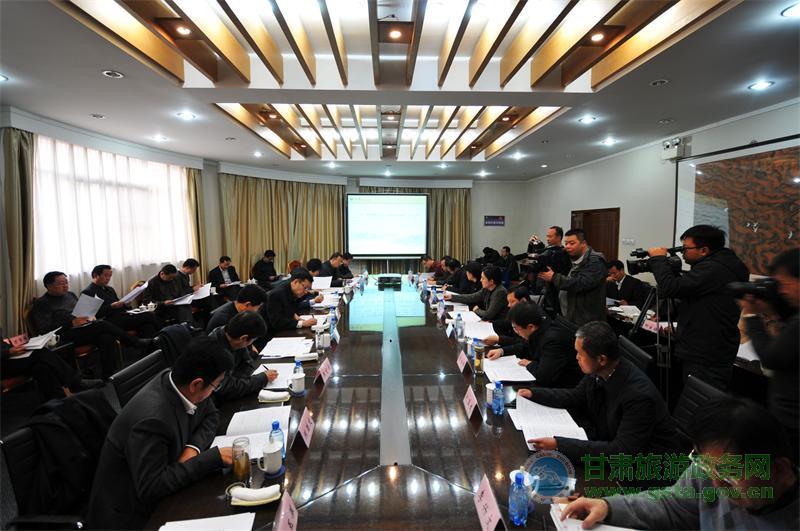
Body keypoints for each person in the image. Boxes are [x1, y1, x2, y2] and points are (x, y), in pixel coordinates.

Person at [560, 398, 799, 530]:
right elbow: (672, 505)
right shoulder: (709, 468)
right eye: (706, 467)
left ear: (779, 470)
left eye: (730, 474)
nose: (716, 484)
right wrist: (608, 507)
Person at [87, 337, 234, 529]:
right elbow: (152, 487)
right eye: (216, 385)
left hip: (163, 480)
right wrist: (212, 458)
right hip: (130, 515)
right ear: (196, 384)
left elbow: (211, 415)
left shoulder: (177, 381)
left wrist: (193, 448)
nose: (215, 390)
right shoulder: (152, 420)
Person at [517, 321, 679, 463]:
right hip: (608, 443)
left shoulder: (639, 397)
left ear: (601, 359)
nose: (576, 358)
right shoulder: (602, 370)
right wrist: (534, 394)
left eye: (580, 354)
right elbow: (576, 396)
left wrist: (560, 445)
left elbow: (621, 452)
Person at [647, 224, 749, 390]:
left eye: (685, 248)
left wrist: (659, 260)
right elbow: (704, 307)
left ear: (704, 250)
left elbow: (670, 288)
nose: (682, 252)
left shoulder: (714, 269)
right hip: (708, 347)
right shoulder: (722, 265)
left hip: (706, 354)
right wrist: (682, 329)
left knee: (702, 398)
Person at [31, 271, 150, 378]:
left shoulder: (70, 295)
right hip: (64, 335)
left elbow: (80, 312)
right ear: (49, 286)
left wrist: (89, 315)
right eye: (61, 284)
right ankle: (135, 342)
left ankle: (108, 374)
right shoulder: (42, 303)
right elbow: (45, 329)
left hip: (83, 329)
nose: (65, 286)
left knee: (106, 337)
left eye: (66, 282)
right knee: (102, 325)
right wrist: (71, 323)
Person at [740, 249, 799, 459]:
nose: (781, 291)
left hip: (792, 421)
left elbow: (771, 357)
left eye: (785, 283)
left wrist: (751, 315)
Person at [487, 302, 582, 388]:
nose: (515, 332)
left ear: (530, 327)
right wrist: (502, 351)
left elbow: (544, 377)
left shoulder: (552, 340)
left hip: (564, 387)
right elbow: (525, 346)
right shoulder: (540, 329)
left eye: (516, 328)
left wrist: (530, 364)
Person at [538, 228, 607, 326]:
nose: (567, 247)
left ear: (583, 243)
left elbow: (581, 283)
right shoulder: (573, 258)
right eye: (566, 243)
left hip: (586, 322)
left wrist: (554, 277)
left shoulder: (595, 262)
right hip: (569, 317)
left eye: (572, 243)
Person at [1, 337, 100, 399]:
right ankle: (75, 382)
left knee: (41, 367)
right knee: (40, 352)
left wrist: (12, 349)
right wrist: (8, 352)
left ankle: (58, 402)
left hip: (6, 359)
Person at [209, 311, 277, 401]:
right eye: (253, 340)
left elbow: (247, 364)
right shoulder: (214, 350)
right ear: (244, 338)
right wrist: (261, 379)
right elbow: (225, 389)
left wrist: (242, 382)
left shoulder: (235, 338)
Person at [81, 264, 162, 338]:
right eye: (105, 275)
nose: (108, 278)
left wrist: (125, 304)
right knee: (148, 315)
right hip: (109, 321)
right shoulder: (88, 292)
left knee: (148, 326)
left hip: (122, 316)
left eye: (110, 276)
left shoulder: (110, 289)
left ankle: (152, 347)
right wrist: (111, 307)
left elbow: (118, 305)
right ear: (95, 275)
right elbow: (90, 317)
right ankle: (165, 336)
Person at [524, 226, 572, 316]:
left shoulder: (563, 253)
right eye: (547, 236)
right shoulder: (547, 250)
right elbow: (531, 259)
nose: (547, 239)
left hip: (555, 290)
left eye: (550, 236)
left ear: (559, 237)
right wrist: (532, 244)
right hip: (541, 287)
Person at [263, 268, 317, 336]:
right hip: (270, 334)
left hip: (283, 331)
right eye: (305, 288)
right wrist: (302, 323)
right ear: (295, 282)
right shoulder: (277, 294)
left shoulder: (291, 290)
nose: (306, 292)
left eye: (308, 289)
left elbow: (288, 309)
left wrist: (293, 315)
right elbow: (277, 322)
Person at [444, 265, 508, 321]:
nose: (481, 280)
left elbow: (489, 315)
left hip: (495, 324)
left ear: (491, 281)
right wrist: (452, 297)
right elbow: (472, 297)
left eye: (483, 278)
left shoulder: (500, 292)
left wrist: (477, 310)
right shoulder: (487, 288)